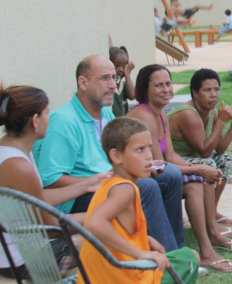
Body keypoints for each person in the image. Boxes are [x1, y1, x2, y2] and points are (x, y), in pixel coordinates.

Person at [33, 55, 185, 253]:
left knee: (170, 175)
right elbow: (50, 180)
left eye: (114, 78)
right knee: (144, 187)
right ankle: (166, 258)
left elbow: (116, 156)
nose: (113, 85)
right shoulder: (63, 122)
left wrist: (141, 163)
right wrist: (94, 181)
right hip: (74, 201)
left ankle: (175, 250)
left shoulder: (105, 113)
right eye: (105, 78)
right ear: (83, 82)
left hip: (109, 184)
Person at [126, 65, 232, 272]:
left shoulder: (160, 114)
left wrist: (195, 168)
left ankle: (206, 242)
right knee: (197, 178)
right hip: (142, 179)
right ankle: (205, 248)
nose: (166, 89)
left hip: (159, 172)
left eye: (168, 84)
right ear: (146, 88)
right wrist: (197, 168)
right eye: (159, 85)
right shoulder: (143, 115)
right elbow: (158, 164)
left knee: (199, 177)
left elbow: (169, 155)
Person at [0, 84, 110, 280]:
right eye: (47, 114)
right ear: (35, 121)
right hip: (23, 261)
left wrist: (85, 185)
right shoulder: (19, 165)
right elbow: (52, 229)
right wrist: (100, 214)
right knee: (107, 237)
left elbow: (37, 199)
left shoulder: (11, 150)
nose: (49, 120)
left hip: (12, 254)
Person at [78, 117, 199, 284]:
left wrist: (146, 240)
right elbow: (94, 223)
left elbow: (116, 227)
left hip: (96, 278)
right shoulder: (125, 189)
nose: (149, 156)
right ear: (116, 156)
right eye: (139, 150)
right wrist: (140, 253)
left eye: (149, 147)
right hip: (125, 278)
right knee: (190, 257)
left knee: (182, 256)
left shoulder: (109, 184)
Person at [167, 69, 232, 234]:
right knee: (209, 163)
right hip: (173, 160)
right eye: (207, 90)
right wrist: (221, 122)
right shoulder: (188, 113)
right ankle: (210, 225)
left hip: (193, 157)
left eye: (216, 89)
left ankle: (212, 212)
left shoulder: (213, 112)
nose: (213, 95)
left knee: (224, 160)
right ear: (195, 93)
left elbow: (220, 148)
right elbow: (204, 153)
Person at [109, 46, 136, 117]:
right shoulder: (108, 85)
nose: (121, 70)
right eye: (117, 66)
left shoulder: (124, 85)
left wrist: (127, 74)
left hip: (123, 124)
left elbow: (132, 96)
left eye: (124, 67)